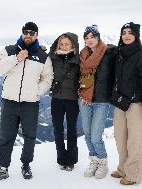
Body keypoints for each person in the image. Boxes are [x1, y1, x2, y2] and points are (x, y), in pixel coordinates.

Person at [0, 22, 53, 182]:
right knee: (5, 136)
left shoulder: (43, 56)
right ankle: (2, 168)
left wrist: (36, 92)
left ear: (37, 35)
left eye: (32, 32)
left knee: (29, 136)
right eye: (25, 32)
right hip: (9, 101)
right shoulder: (10, 50)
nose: (28, 35)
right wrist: (16, 58)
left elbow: (48, 78)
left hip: (30, 103)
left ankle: (26, 164)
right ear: (22, 33)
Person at [110, 22, 142, 185]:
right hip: (121, 102)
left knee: (136, 140)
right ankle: (123, 168)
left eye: (130, 32)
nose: (127, 35)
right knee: (120, 137)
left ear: (136, 35)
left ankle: (134, 174)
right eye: (124, 33)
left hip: (137, 104)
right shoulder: (120, 54)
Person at [78, 25, 116, 179]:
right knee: (87, 134)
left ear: (98, 37)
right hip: (84, 99)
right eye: (86, 38)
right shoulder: (82, 54)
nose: (89, 40)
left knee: (95, 136)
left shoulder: (109, 53)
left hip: (101, 100)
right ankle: (93, 160)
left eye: (92, 37)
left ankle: (103, 162)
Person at [48, 33, 80, 171]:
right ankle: (62, 160)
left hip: (72, 99)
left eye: (67, 44)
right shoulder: (52, 58)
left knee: (72, 130)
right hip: (56, 99)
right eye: (62, 44)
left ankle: (71, 160)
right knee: (58, 130)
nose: (64, 46)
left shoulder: (79, 60)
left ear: (73, 45)